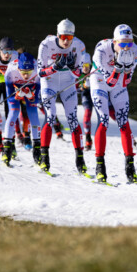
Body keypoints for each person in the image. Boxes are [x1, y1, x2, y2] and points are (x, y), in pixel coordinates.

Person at [90, 24, 137, 183]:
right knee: (104, 121)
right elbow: (108, 81)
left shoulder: (136, 52)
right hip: (100, 80)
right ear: (114, 41)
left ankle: (130, 167)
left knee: (124, 122)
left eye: (129, 43)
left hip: (119, 82)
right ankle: (100, 166)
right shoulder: (101, 50)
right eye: (122, 43)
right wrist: (117, 68)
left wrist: (125, 70)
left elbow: (126, 82)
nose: (126, 47)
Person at [37, 18, 88, 174]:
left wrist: (73, 67)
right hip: (50, 82)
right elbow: (40, 72)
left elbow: (80, 74)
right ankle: (44, 157)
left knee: (72, 118)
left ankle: (80, 158)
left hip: (67, 83)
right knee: (51, 116)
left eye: (69, 38)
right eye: (63, 37)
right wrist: (54, 67)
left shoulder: (79, 45)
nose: (66, 42)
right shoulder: (46, 45)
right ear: (58, 35)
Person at [1, 52, 42, 166]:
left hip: (31, 88)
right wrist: (16, 96)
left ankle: (37, 150)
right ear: (18, 68)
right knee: (13, 112)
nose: (26, 76)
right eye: (23, 72)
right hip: (15, 87)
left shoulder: (38, 71)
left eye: (28, 72)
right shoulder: (10, 71)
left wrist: (31, 96)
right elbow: (9, 95)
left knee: (33, 113)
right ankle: (7, 148)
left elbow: (37, 96)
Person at [79, 51, 94, 151]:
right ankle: (88, 137)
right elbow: (77, 88)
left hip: (97, 95)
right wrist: (83, 86)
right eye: (83, 65)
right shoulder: (78, 74)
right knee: (87, 114)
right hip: (86, 96)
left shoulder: (94, 71)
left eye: (87, 65)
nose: (85, 68)